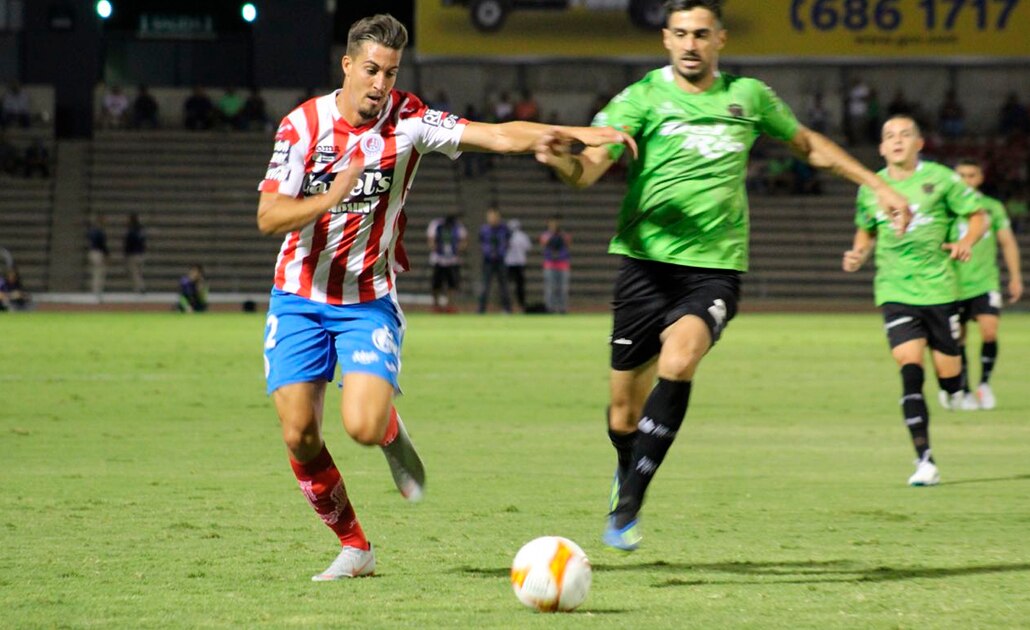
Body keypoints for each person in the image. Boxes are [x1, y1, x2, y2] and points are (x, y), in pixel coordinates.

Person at [255, 13, 632, 580]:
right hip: (298, 296)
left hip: (367, 298)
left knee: (360, 425)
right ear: (348, 66)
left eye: (391, 72)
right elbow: (269, 217)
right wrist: (330, 197)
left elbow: (497, 134)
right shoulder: (301, 126)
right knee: (299, 435)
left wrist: (577, 134)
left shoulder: (409, 119)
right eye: (372, 70)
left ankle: (386, 428)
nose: (381, 84)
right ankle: (356, 547)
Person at [534, 0, 911, 552]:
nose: (690, 44)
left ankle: (630, 502)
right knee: (623, 414)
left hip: (713, 269)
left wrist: (876, 185)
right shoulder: (641, 98)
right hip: (644, 266)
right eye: (681, 33)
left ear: (720, 40)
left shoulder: (748, 97)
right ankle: (629, 465)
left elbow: (808, 145)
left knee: (680, 359)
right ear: (665, 38)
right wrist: (563, 161)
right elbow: (589, 168)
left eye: (701, 34)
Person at [843, 115, 989, 487]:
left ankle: (953, 389)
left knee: (950, 377)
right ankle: (925, 460)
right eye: (889, 136)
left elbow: (978, 215)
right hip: (895, 292)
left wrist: (965, 242)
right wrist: (859, 252)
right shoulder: (871, 188)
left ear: (919, 144)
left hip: (940, 292)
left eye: (905, 135)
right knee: (910, 370)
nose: (897, 141)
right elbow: (866, 227)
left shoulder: (941, 179)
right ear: (880, 147)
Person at [949, 158, 1023, 410]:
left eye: (971, 175)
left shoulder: (992, 208)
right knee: (957, 339)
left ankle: (984, 384)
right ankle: (964, 389)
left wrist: (1015, 277)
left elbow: (1007, 243)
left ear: (980, 178)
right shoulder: (947, 208)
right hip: (954, 284)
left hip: (985, 281)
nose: (966, 180)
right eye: (961, 175)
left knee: (989, 331)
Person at [427, 214, 467, 312]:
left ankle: (450, 305)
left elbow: (464, 240)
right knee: (436, 284)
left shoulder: (458, 227)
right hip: (439, 259)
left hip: (452, 260)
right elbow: (431, 240)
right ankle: (436, 305)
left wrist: (457, 249)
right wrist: (435, 248)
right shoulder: (436, 225)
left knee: (452, 284)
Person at [477, 207, 512, 314]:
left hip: (500, 260)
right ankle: (481, 310)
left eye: (495, 216)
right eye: (490, 217)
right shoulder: (484, 229)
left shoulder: (504, 229)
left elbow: (508, 242)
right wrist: (488, 251)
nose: (493, 219)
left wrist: (502, 251)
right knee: (485, 285)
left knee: (504, 286)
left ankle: (507, 309)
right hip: (488, 260)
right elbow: (481, 242)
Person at [539, 215, 571, 314]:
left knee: (563, 288)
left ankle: (562, 308)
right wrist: (552, 235)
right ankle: (550, 308)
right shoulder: (545, 235)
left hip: (562, 264)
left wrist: (559, 234)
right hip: (550, 265)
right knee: (550, 288)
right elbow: (544, 243)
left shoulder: (563, 235)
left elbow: (568, 243)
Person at [504, 218, 531, 312]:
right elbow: (528, 248)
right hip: (518, 263)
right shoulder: (522, 236)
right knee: (519, 287)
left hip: (511, 263)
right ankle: (520, 306)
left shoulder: (508, 236)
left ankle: (508, 307)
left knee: (512, 286)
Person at [124, 212, 147, 294]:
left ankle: (139, 288)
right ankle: (141, 286)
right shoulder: (141, 230)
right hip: (141, 253)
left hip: (133, 254)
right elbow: (143, 241)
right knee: (140, 272)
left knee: (135, 273)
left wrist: (126, 254)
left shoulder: (130, 230)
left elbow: (128, 243)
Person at [87, 214, 109, 299]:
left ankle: (96, 291)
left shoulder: (92, 230)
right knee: (99, 273)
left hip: (93, 252)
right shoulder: (100, 231)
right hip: (98, 253)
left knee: (96, 272)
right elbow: (102, 245)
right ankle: (97, 292)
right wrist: (106, 255)